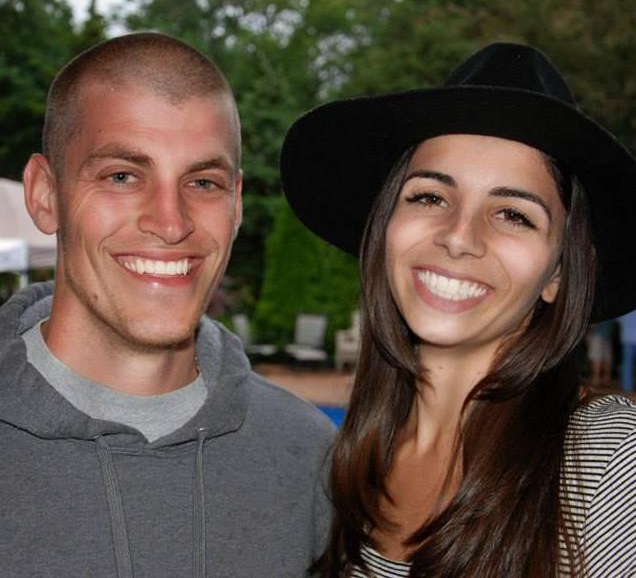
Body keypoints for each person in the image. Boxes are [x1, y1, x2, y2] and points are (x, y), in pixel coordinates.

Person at [281, 43, 636, 576]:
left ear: (557, 274)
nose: (459, 237)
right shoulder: (347, 463)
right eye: (429, 197)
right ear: (385, 229)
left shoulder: (606, 460)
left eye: (513, 214)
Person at [0, 32, 334, 577]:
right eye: (123, 176)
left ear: (236, 204)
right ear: (44, 194)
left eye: (202, 182)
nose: (171, 222)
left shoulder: (310, 456)